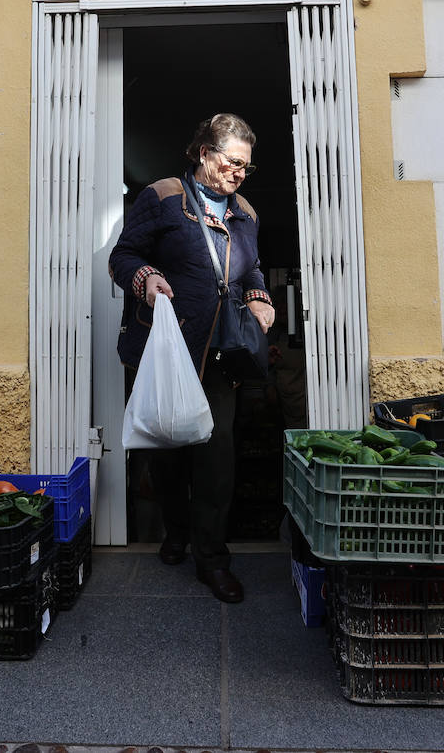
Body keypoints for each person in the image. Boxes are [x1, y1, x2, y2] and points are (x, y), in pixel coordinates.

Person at [108, 113, 275, 604]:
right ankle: (176, 532)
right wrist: (146, 279)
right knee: (166, 452)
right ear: (205, 153)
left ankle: (212, 559)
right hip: (168, 351)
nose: (239, 173)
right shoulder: (163, 197)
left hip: (221, 355)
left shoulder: (246, 213)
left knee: (216, 457)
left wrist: (259, 296)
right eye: (232, 162)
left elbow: (251, 270)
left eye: (246, 166)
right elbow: (123, 256)